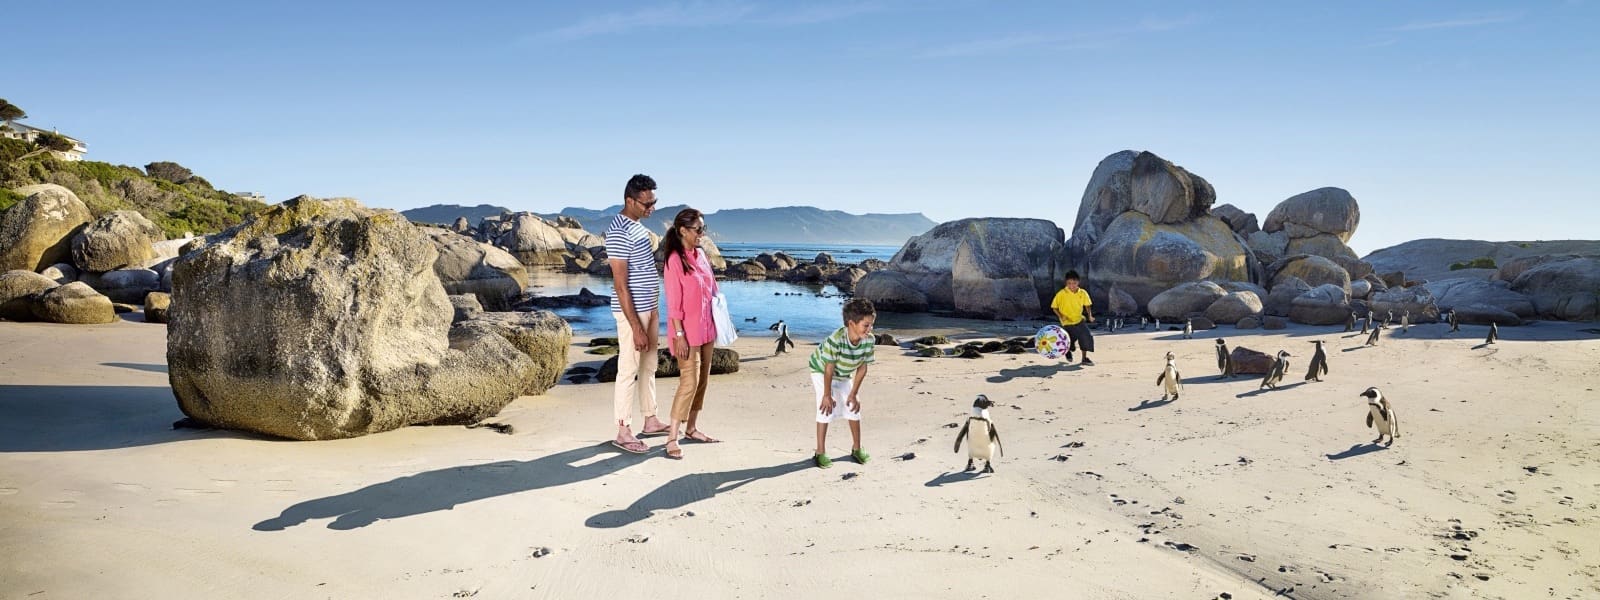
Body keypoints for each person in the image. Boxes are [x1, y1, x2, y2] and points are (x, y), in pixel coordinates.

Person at [606, 174, 669, 453]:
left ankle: (651, 418)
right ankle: (622, 430)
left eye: (654, 202)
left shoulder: (638, 228)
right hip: (632, 313)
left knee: (649, 366)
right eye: (646, 203)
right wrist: (636, 327)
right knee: (628, 368)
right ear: (630, 200)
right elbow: (620, 286)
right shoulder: (619, 231)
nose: (651, 208)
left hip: (650, 309)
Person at [661, 208, 721, 460]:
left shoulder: (701, 255)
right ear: (683, 230)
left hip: (707, 328)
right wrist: (679, 335)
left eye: (703, 229)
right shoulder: (674, 260)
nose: (701, 234)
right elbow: (673, 304)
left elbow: (713, 289)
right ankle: (672, 438)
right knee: (688, 382)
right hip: (685, 331)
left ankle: (692, 428)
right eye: (698, 229)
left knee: (703, 381)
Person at [809, 298, 876, 469]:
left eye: (871, 325)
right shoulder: (836, 339)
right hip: (821, 369)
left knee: (853, 407)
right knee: (825, 408)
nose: (869, 329)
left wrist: (853, 393)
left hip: (844, 372)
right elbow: (828, 369)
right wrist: (827, 395)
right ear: (851, 323)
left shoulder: (869, 340)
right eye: (866, 325)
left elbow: (862, 368)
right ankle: (820, 452)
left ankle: (857, 448)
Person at [1050, 270, 1095, 366]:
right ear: (1066, 283)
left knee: (1086, 336)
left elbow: (1087, 305)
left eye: (1074, 283)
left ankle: (1084, 358)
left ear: (1078, 282)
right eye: (1069, 283)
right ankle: (1068, 351)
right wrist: (1061, 316)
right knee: (1068, 340)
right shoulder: (1061, 294)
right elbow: (1054, 307)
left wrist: (1090, 315)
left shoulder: (1082, 293)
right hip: (1066, 322)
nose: (1072, 286)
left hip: (1079, 320)